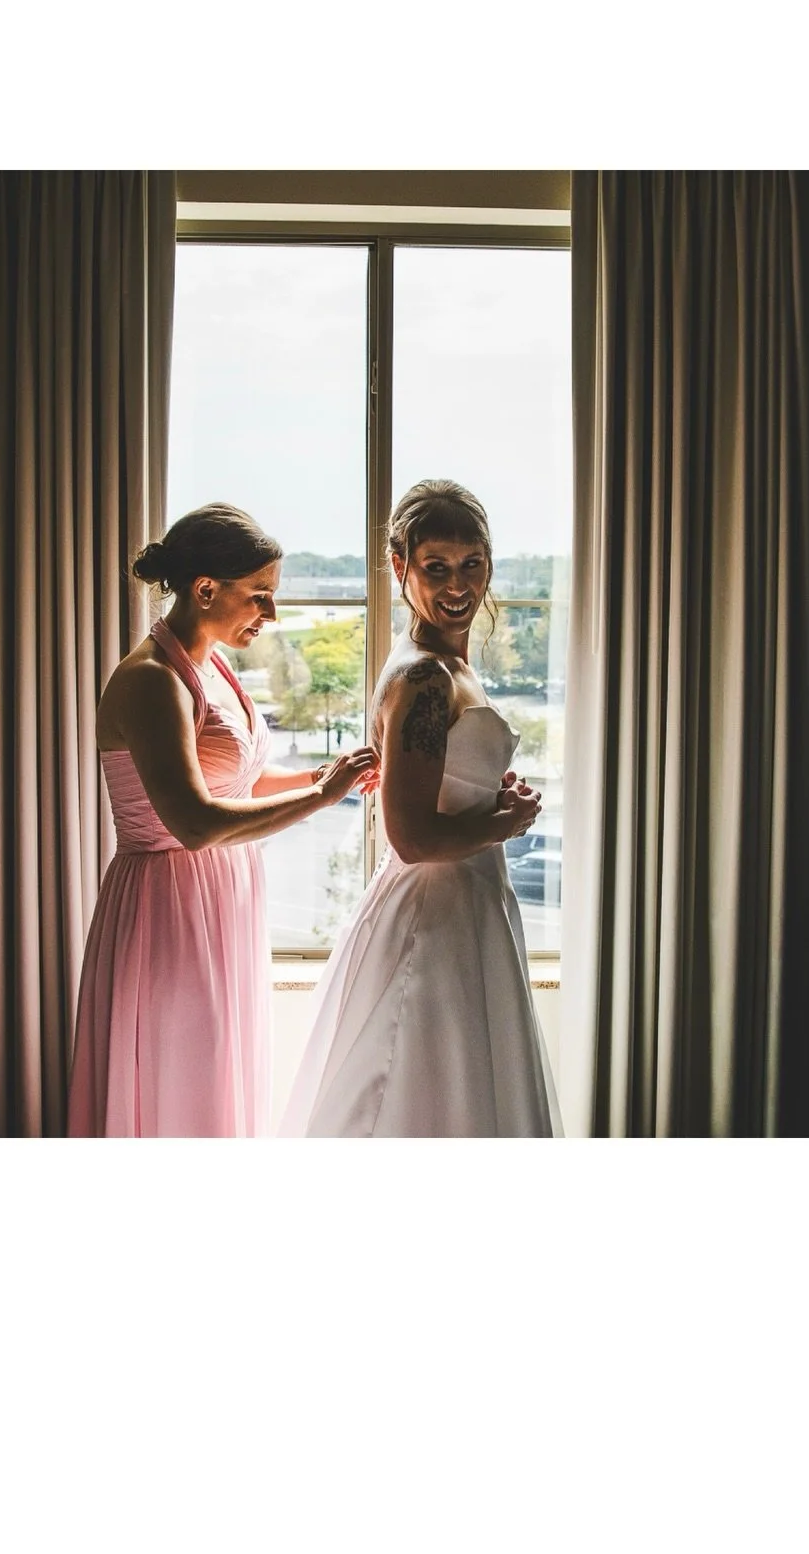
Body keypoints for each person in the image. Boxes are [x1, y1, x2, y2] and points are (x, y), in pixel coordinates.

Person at [67, 503, 377, 1137]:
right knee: (181, 1080)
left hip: (222, 895)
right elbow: (196, 823)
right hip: (168, 907)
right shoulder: (154, 680)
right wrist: (322, 798)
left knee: (217, 1076)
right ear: (205, 588)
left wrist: (330, 776)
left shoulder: (212, 664)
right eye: (259, 596)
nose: (271, 614)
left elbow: (236, 782)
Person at [280, 480, 562, 1137]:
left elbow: (440, 781)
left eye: (473, 564)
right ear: (400, 565)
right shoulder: (427, 679)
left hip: (468, 900)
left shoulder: (441, 662)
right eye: (436, 567)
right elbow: (410, 836)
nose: (458, 585)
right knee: (430, 1093)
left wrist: (488, 791)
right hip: (438, 916)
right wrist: (505, 822)